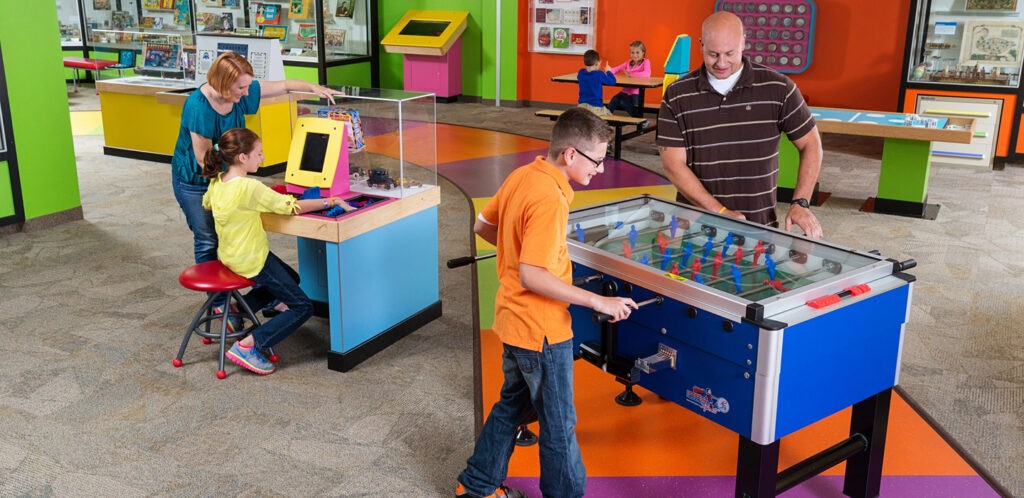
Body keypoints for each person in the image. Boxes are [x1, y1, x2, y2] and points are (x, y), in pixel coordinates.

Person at [455, 108, 638, 498]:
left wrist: (515, 253)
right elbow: (534, 276)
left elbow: (483, 225)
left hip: (512, 321)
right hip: (541, 333)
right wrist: (598, 303)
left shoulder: (524, 174)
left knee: (512, 408)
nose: (601, 170)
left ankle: (476, 487)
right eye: (598, 160)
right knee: (558, 426)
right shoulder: (550, 199)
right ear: (570, 154)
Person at [171, 51, 342, 316]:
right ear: (222, 83)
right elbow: (205, 160)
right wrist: (239, 181)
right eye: (241, 87)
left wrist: (313, 87)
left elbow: (283, 86)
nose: (247, 91)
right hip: (196, 180)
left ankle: (252, 303)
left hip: (228, 175)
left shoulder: (241, 91)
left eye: (248, 85)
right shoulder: (197, 106)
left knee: (235, 234)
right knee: (208, 239)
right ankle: (218, 306)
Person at [656, 11, 824, 238]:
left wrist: (801, 202)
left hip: (760, 227)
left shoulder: (779, 88)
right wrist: (720, 212)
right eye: (713, 54)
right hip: (694, 229)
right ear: (701, 45)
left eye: (730, 53)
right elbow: (673, 165)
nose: (722, 63)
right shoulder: (676, 95)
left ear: (744, 42)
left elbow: (811, 144)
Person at [201, 127, 353, 375]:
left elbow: (206, 203)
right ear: (242, 157)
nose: (262, 158)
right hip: (253, 259)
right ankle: (250, 345)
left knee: (292, 278)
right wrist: (330, 201)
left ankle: (240, 308)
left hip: (230, 255)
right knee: (303, 307)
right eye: (258, 154)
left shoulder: (218, 182)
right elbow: (289, 207)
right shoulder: (249, 188)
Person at [605, 40, 651, 118]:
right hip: (625, 91)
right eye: (632, 53)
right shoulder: (628, 63)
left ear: (643, 52)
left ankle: (640, 120)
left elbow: (647, 74)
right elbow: (617, 69)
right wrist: (609, 70)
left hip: (635, 93)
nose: (635, 55)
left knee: (623, 102)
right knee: (615, 99)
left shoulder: (645, 62)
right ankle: (604, 117)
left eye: (637, 52)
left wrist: (630, 75)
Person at [576, 49, 615, 117]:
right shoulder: (599, 74)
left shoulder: (581, 73)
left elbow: (580, 75)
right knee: (609, 114)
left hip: (581, 106)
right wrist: (608, 71)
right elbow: (613, 82)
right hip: (595, 107)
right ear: (597, 63)